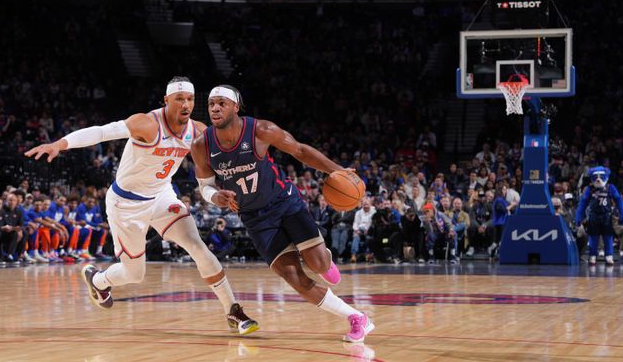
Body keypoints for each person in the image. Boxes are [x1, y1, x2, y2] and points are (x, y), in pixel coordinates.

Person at [25, 77, 258, 335]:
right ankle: (99, 280)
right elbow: (101, 132)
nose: (185, 104)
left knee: (197, 246)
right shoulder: (146, 123)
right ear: (166, 101)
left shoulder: (198, 131)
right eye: (179, 99)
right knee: (134, 274)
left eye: (190, 99)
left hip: (161, 196)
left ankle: (232, 311)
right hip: (126, 204)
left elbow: (225, 158)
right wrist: (60, 144)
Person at [191, 84, 374, 342]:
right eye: (211, 104)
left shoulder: (261, 130)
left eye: (221, 103)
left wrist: (337, 170)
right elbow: (205, 185)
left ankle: (324, 259)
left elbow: (299, 150)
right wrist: (215, 196)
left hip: (284, 203)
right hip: (255, 218)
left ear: (235, 106)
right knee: (293, 277)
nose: (215, 108)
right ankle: (357, 318)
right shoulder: (202, 145)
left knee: (318, 264)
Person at [575, 166, 623, 265]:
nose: (598, 179)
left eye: (601, 177)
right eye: (596, 177)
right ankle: (592, 256)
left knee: (608, 237)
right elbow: (582, 204)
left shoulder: (610, 187)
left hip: (606, 216)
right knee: (593, 237)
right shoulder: (589, 189)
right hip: (593, 216)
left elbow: (620, 202)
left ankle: (608, 255)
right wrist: (579, 217)